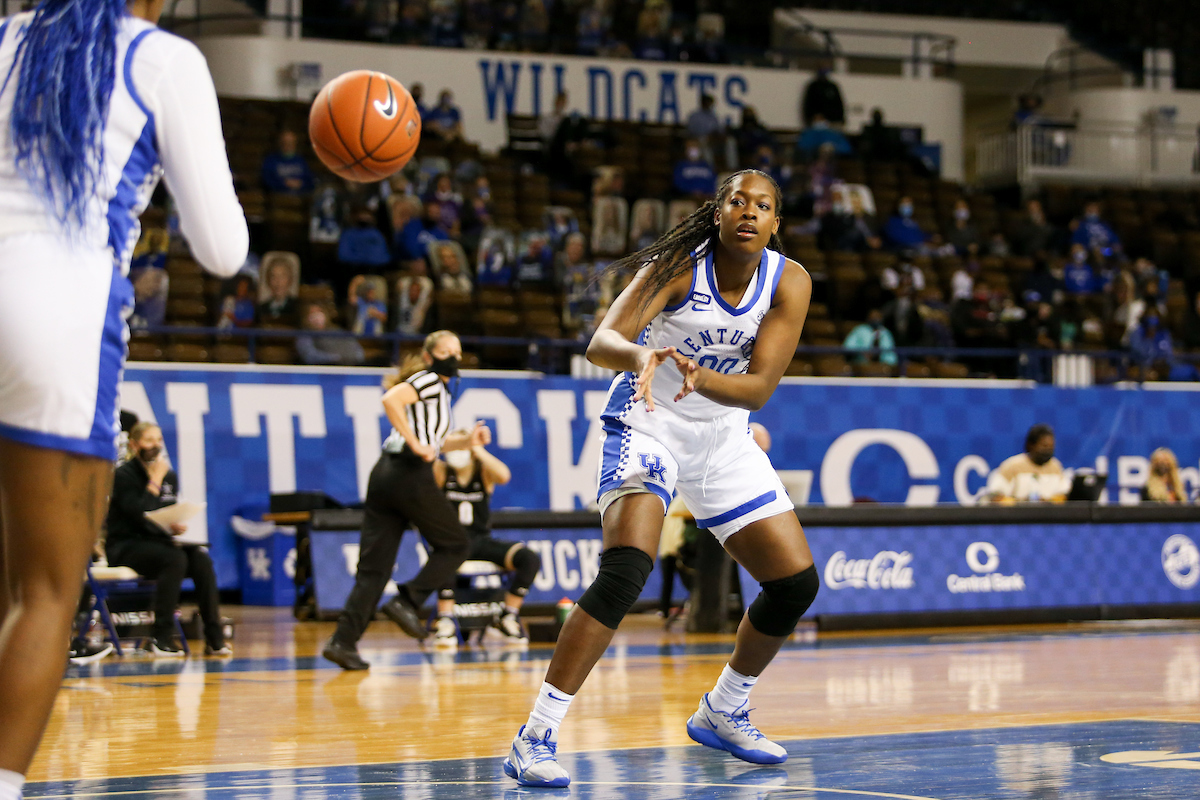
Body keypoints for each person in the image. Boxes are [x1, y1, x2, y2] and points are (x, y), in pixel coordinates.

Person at [0, 0, 247, 790]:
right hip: (58, 309)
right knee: (43, 593)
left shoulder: (5, 36)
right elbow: (221, 248)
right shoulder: (164, 60)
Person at [503, 169, 818, 787]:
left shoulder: (790, 282)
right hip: (648, 420)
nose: (748, 213)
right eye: (737, 201)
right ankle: (534, 735)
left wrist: (694, 373)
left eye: (763, 205)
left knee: (794, 585)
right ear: (719, 212)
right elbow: (603, 341)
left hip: (724, 435)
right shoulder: (681, 262)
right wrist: (645, 356)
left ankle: (724, 709)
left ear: (776, 223)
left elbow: (759, 388)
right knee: (626, 571)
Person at [323, 331, 492, 670]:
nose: (453, 359)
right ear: (429, 357)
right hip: (408, 473)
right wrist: (416, 445)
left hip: (385, 475)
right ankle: (408, 601)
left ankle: (343, 642)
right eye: (446, 352)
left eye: (458, 352)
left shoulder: (439, 395)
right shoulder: (428, 379)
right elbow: (391, 400)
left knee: (374, 569)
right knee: (456, 544)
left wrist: (467, 441)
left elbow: (437, 442)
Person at [105, 422, 229, 656]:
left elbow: (162, 513)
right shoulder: (123, 475)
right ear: (134, 444)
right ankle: (160, 637)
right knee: (174, 559)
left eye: (159, 440)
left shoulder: (169, 476)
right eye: (149, 440)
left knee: (200, 560)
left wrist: (174, 525)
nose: (156, 446)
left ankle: (215, 638)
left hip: (157, 543)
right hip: (125, 545)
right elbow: (139, 514)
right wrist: (154, 482)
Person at [429, 439, 542, 647]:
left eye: (464, 445)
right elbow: (426, 457)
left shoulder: (483, 473)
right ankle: (445, 620)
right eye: (457, 444)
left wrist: (477, 449)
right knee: (443, 556)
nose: (459, 451)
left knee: (529, 558)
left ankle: (507, 616)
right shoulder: (443, 473)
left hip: (481, 541)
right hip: (453, 544)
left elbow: (504, 475)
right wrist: (450, 444)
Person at [986, 424, 1070, 503]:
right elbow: (994, 496)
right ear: (1031, 445)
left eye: (1051, 446)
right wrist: (1021, 503)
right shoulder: (1012, 466)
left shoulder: (1055, 466)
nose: (1048, 450)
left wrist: (1048, 502)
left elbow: (1064, 495)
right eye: (1044, 446)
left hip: (1048, 516)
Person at [296, 302, 365, 365]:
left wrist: (350, 358)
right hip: (323, 369)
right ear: (306, 318)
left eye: (319, 312)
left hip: (347, 368)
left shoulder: (336, 331)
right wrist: (335, 358)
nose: (317, 316)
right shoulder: (304, 334)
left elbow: (358, 351)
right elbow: (309, 356)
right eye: (312, 313)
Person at [261, 130, 314, 195]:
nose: (288, 145)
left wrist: (300, 184)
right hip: (277, 197)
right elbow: (267, 181)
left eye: (290, 143)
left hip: (300, 196)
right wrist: (284, 184)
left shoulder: (301, 160)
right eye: (285, 142)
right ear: (280, 143)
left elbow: (310, 181)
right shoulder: (271, 160)